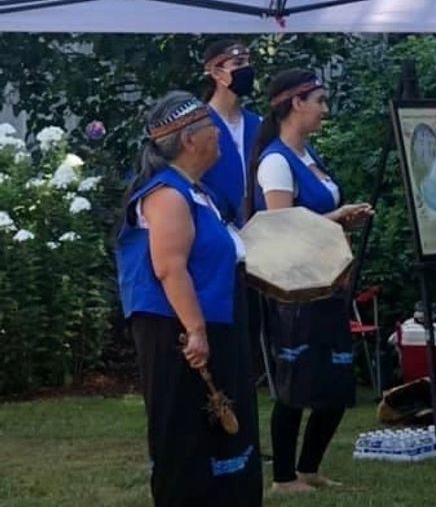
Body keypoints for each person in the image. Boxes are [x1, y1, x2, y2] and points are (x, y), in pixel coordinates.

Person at [116, 91, 262, 506]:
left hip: (216, 321)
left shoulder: (200, 192)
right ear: (190, 140)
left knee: (226, 433)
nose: (219, 135)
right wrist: (196, 332)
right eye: (211, 129)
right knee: (186, 436)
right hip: (177, 331)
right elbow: (169, 267)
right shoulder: (166, 194)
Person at [249, 68, 373, 494]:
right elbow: (280, 228)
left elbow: (316, 222)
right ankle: (283, 477)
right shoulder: (276, 163)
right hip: (294, 292)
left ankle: (309, 468)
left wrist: (343, 224)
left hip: (327, 284)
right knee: (296, 382)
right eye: (319, 100)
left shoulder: (310, 156)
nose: (325, 109)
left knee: (337, 380)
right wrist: (335, 218)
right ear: (295, 103)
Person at [199, 39, 265, 375]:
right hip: (218, 240)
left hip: (259, 239)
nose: (245, 71)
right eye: (237, 64)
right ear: (216, 72)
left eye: (248, 62)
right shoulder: (199, 125)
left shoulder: (259, 124)